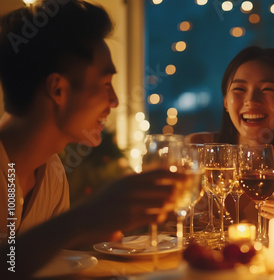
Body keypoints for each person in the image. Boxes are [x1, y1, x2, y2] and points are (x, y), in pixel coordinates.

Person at [0, 1, 175, 278]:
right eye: (106, 85)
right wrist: (80, 221)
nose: (115, 101)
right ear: (58, 89)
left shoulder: (52, 174)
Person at [187, 46, 274, 173]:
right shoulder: (197, 152)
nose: (251, 100)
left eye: (267, 89)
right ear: (226, 102)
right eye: (239, 89)